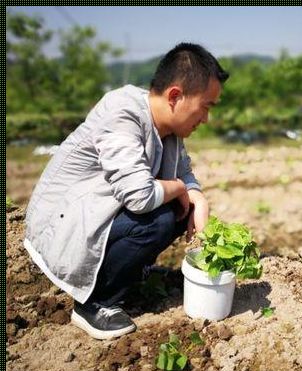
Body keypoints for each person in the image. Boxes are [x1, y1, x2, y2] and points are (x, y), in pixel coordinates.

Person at [23, 43, 229, 340]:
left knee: (179, 209)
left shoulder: (169, 128)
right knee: (158, 218)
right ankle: (94, 303)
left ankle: (125, 273)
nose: (206, 119)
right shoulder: (122, 111)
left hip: (98, 213)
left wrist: (197, 197)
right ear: (175, 96)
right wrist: (182, 188)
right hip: (62, 225)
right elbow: (139, 197)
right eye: (206, 107)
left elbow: (183, 171)